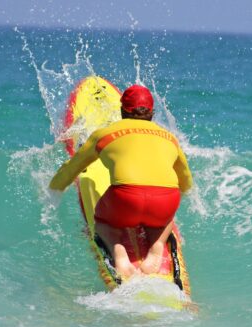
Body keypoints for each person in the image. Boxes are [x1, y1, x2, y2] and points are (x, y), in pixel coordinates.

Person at [49, 84, 193, 280]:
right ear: (152, 113)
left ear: (122, 111)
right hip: (164, 201)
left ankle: (118, 252)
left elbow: (72, 168)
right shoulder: (170, 138)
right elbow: (185, 180)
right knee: (165, 219)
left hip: (125, 201)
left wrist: (53, 189)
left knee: (103, 224)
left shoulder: (103, 134)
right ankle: (157, 245)